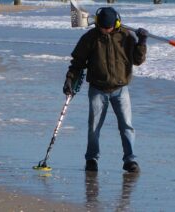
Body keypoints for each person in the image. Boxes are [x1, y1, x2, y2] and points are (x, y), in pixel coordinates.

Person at [63, 7, 147, 173]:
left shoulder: (126, 36)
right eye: (103, 27)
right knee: (94, 127)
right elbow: (77, 62)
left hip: (121, 88)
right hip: (98, 89)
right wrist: (69, 79)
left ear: (116, 23)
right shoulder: (90, 38)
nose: (106, 30)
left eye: (108, 28)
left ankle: (130, 160)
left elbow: (138, 61)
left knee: (126, 126)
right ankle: (92, 159)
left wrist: (142, 42)